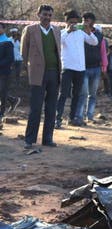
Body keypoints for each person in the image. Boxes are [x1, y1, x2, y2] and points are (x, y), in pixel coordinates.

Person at [22, 4, 61, 148]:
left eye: (50, 15)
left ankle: (47, 139)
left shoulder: (56, 30)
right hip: (37, 74)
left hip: (54, 73)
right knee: (35, 109)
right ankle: (29, 140)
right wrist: (28, 71)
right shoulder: (30, 30)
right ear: (38, 15)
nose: (47, 17)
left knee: (51, 109)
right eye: (44, 14)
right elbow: (24, 53)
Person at [54, 9, 98, 128]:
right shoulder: (62, 33)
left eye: (75, 22)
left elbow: (94, 42)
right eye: (71, 22)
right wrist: (68, 31)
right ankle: (57, 119)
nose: (73, 24)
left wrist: (88, 31)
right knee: (63, 94)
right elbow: (58, 42)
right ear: (66, 22)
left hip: (80, 68)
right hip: (67, 68)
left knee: (76, 95)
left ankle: (72, 118)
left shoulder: (81, 33)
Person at [77, 13, 107, 123]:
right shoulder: (78, 32)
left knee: (92, 94)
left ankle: (89, 116)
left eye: (87, 20)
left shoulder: (99, 34)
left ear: (93, 22)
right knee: (83, 93)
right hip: (82, 67)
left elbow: (102, 51)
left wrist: (104, 67)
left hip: (96, 68)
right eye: (83, 20)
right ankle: (79, 116)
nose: (85, 22)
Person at [0, 23, 16, 125]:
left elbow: (10, 58)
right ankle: (13, 100)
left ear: (4, 29)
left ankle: (1, 113)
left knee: (2, 92)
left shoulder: (8, 42)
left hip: (4, 72)